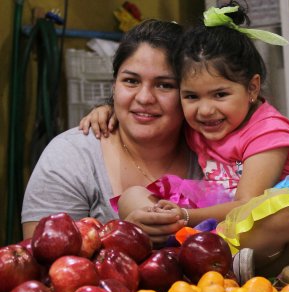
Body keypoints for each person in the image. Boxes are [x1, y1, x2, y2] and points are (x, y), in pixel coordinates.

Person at [82, 2, 289, 281]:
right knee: (132, 196)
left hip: (253, 225)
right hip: (211, 219)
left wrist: (186, 216)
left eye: (220, 95)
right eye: (191, 97)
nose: (205, 110)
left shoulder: (268, 133)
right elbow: (149, 114)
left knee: (287, 214)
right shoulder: (203, 124)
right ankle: (183, 257)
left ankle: (213, 265)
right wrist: (108, 109)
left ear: (252, 88)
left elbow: (246, 202)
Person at [21, 19, 202, 243]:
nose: (144, 98)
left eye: (165, 84)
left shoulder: (215, 152)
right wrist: (121, 238)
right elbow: (43, 258)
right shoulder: (72, 156)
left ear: (190, 92)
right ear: (114, 86)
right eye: (131, 81)